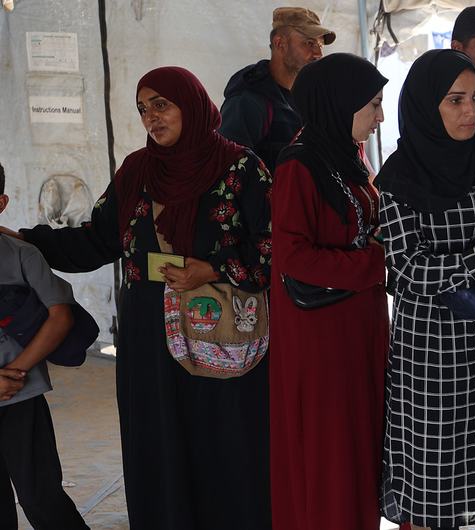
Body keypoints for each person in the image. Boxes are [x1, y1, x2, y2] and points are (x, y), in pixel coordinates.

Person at [3, 67, 273, 529]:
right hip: (150, 330)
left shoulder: (243, 168)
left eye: (161, 104)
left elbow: (273, 248)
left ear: (190, 103)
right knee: (158, 435)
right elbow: (97, 240)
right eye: (143, 109)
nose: (151, 117)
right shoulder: (136, 171)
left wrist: (214, 268)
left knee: (224, 436)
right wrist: (26, 240)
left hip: (221, 328)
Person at [378, 49, 475, 530]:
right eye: (454, 100)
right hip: (433, 347)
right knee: (438, 459)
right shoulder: (399, 179)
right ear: (427, 106)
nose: (470, 111)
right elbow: (403, 271)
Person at [268, 53, 389, 530]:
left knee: (358, 446)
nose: (380, 117)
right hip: (320, 340)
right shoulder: (298, 166)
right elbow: (293, 256)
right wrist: (377, 262)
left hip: (356, 328)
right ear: (339, 104)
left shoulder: (348, 155)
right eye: (373, 105)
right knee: (329, 450)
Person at [0, 163, 89, 530]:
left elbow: (60, 316)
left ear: (1, 202)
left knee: (41, 494)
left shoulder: (22, 255)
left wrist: (16, 372)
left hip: (20, 396)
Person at [220, 7, 335, 170]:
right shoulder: (248, 100)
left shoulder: (308, 99)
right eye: (309, 43)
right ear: (280, 43)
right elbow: (229, 169)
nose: (318, 54)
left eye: (320, 45)